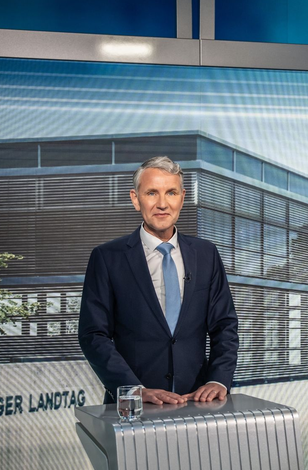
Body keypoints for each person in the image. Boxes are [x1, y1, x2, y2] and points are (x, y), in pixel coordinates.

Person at [79, 156, 238, 405]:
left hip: (198, 402)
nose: (162, 204)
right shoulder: (107, 257)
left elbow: (224, 325)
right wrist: (133, 389)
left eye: (171, 193)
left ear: (182, 199)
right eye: (152, 193)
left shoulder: (206, 254)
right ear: (135, 199)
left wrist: (218, 380)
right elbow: (93, 334)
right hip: (133, 405)